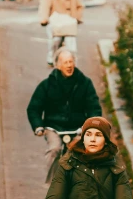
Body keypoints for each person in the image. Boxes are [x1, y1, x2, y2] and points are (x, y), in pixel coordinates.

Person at [27, 50, 101, 182]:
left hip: (78, 127)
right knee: (54, 149)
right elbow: (34, 108)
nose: (69, 65)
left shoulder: (85, 83)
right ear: (58, 65)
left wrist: (92, 126)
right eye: (65, 62)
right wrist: (38, 126)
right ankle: (53, 186)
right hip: (53, 127)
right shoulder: (47, 85)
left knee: (82, 150)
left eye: (71, 61)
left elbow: (93, 107)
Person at [38, 0, 84, 66]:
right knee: (55, 41)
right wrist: (44, 18)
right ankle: (51, 58)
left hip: (70, 20)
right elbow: (45, 5)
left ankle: (72, 61)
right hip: (55, 20)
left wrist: (77, 17)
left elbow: (80, 5)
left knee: (71, 42)